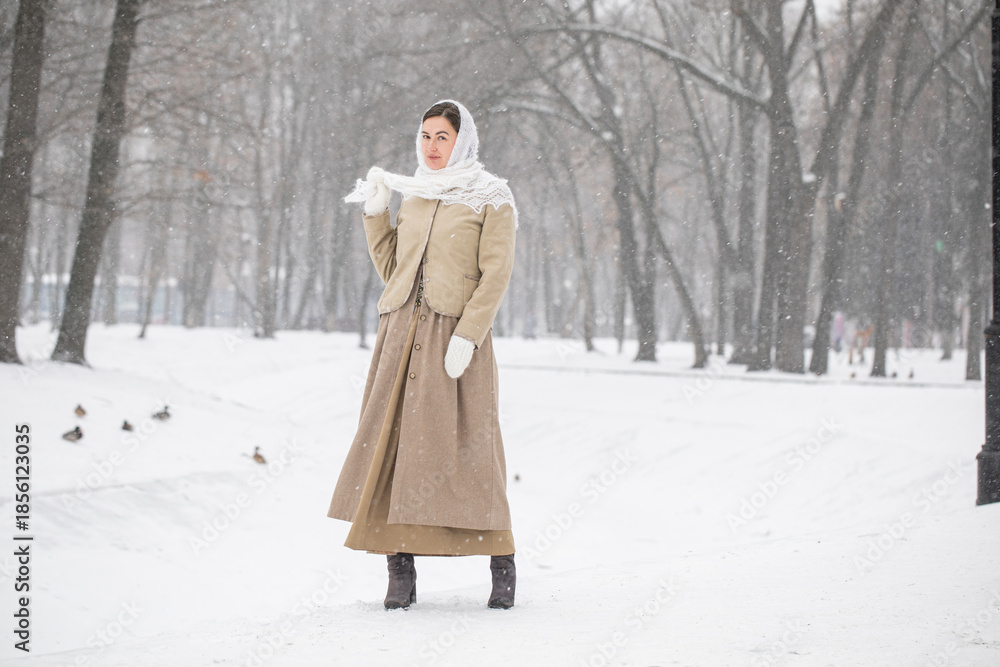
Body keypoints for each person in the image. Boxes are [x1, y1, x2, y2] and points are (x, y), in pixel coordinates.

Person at [328, 100, 518, 610]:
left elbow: (496, 274)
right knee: (395, 450)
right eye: (426, 136)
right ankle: (400, 571)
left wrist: (468, 335)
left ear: (463, 140)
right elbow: (395, 267)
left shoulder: (491, 196)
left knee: (471, 450)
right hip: (400, 336)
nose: (432, 146)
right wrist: (376, 216)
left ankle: (501, 563)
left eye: (442, 137)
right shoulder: (414, 193)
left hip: (454, 339)